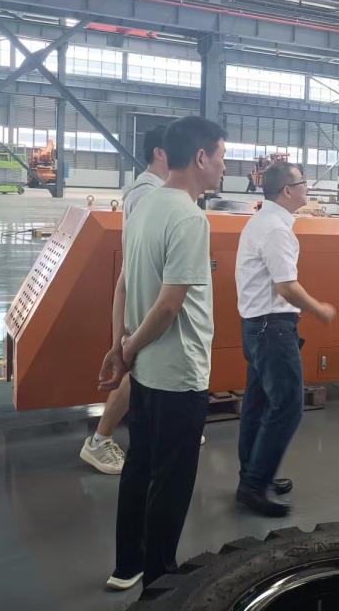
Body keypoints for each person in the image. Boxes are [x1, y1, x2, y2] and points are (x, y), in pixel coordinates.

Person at [98, 116, 226, 591]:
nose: (224, 167)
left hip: (146, 371)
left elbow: (123, 283)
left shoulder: (143, 204)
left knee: (139, 467)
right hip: (178, 372)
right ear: (200, 158)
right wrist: (128, 348)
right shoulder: (189, 217)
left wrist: (120, 346)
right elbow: (170, 305)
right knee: (172, 481)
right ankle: (159, 583)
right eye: (222, 158)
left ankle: (126, 565)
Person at [235, 162, 336, 516]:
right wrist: (319, 309)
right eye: (303, 182)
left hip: (257, 325)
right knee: (289, 406)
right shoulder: (276, 229)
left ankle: (252, 474)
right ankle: (253, 485)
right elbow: (286, 287)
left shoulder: (264, 221)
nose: (308, 188)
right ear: (288, 191)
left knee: (258, 403)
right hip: (271, 330)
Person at [80, 125, 168, 475]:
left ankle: (161, 430)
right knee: (135, 369)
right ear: (160, 152)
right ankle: (99, 440)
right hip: (149, 295)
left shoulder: (148, 191)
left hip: (143, 289)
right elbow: (145, 258)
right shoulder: (149, 194)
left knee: (146, 369)